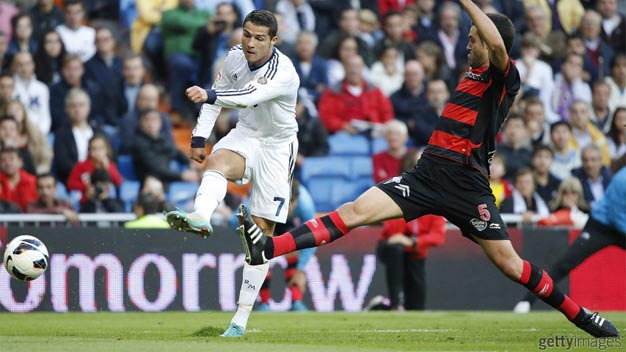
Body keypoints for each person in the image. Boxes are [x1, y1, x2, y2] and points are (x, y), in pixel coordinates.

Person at [236, 1, 620, 338]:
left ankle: (581, 315)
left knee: (511, 265)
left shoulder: (503, 79)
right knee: (354, 212)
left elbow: (500, 45)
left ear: (488, 42)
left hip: (468, 188)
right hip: (425, 176)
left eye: (473, 38)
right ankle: (268, 248)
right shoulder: (469, 75)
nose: (467, 44)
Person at [164, 10, 300, 338]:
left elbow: (248, 95)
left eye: (259, 38)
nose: (250, 43)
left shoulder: (284, 71)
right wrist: (198, 138)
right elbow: (217, 98)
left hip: (278, 149)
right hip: (247, 134)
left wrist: (210, 94)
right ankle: (200, 216)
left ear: (274, 41)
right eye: (247, 34)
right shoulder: (235, 56)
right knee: (216, 162)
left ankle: (239, 320)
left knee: (261, 238)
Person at [513, 167, 626, 314]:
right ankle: (526, 301)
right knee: (566, 263)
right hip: (601, 226)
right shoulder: (621, 180)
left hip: (619, 226)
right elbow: (616, 215)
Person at [374, 148, 446, 311]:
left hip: (415, 250)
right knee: (396, 249)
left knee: (417, 306)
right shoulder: (396, 189)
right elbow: (391, 230)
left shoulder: (436, 195)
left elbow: (438, 236)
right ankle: (395, 304)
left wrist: (413, 241)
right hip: (391, 247)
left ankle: (380, 306)